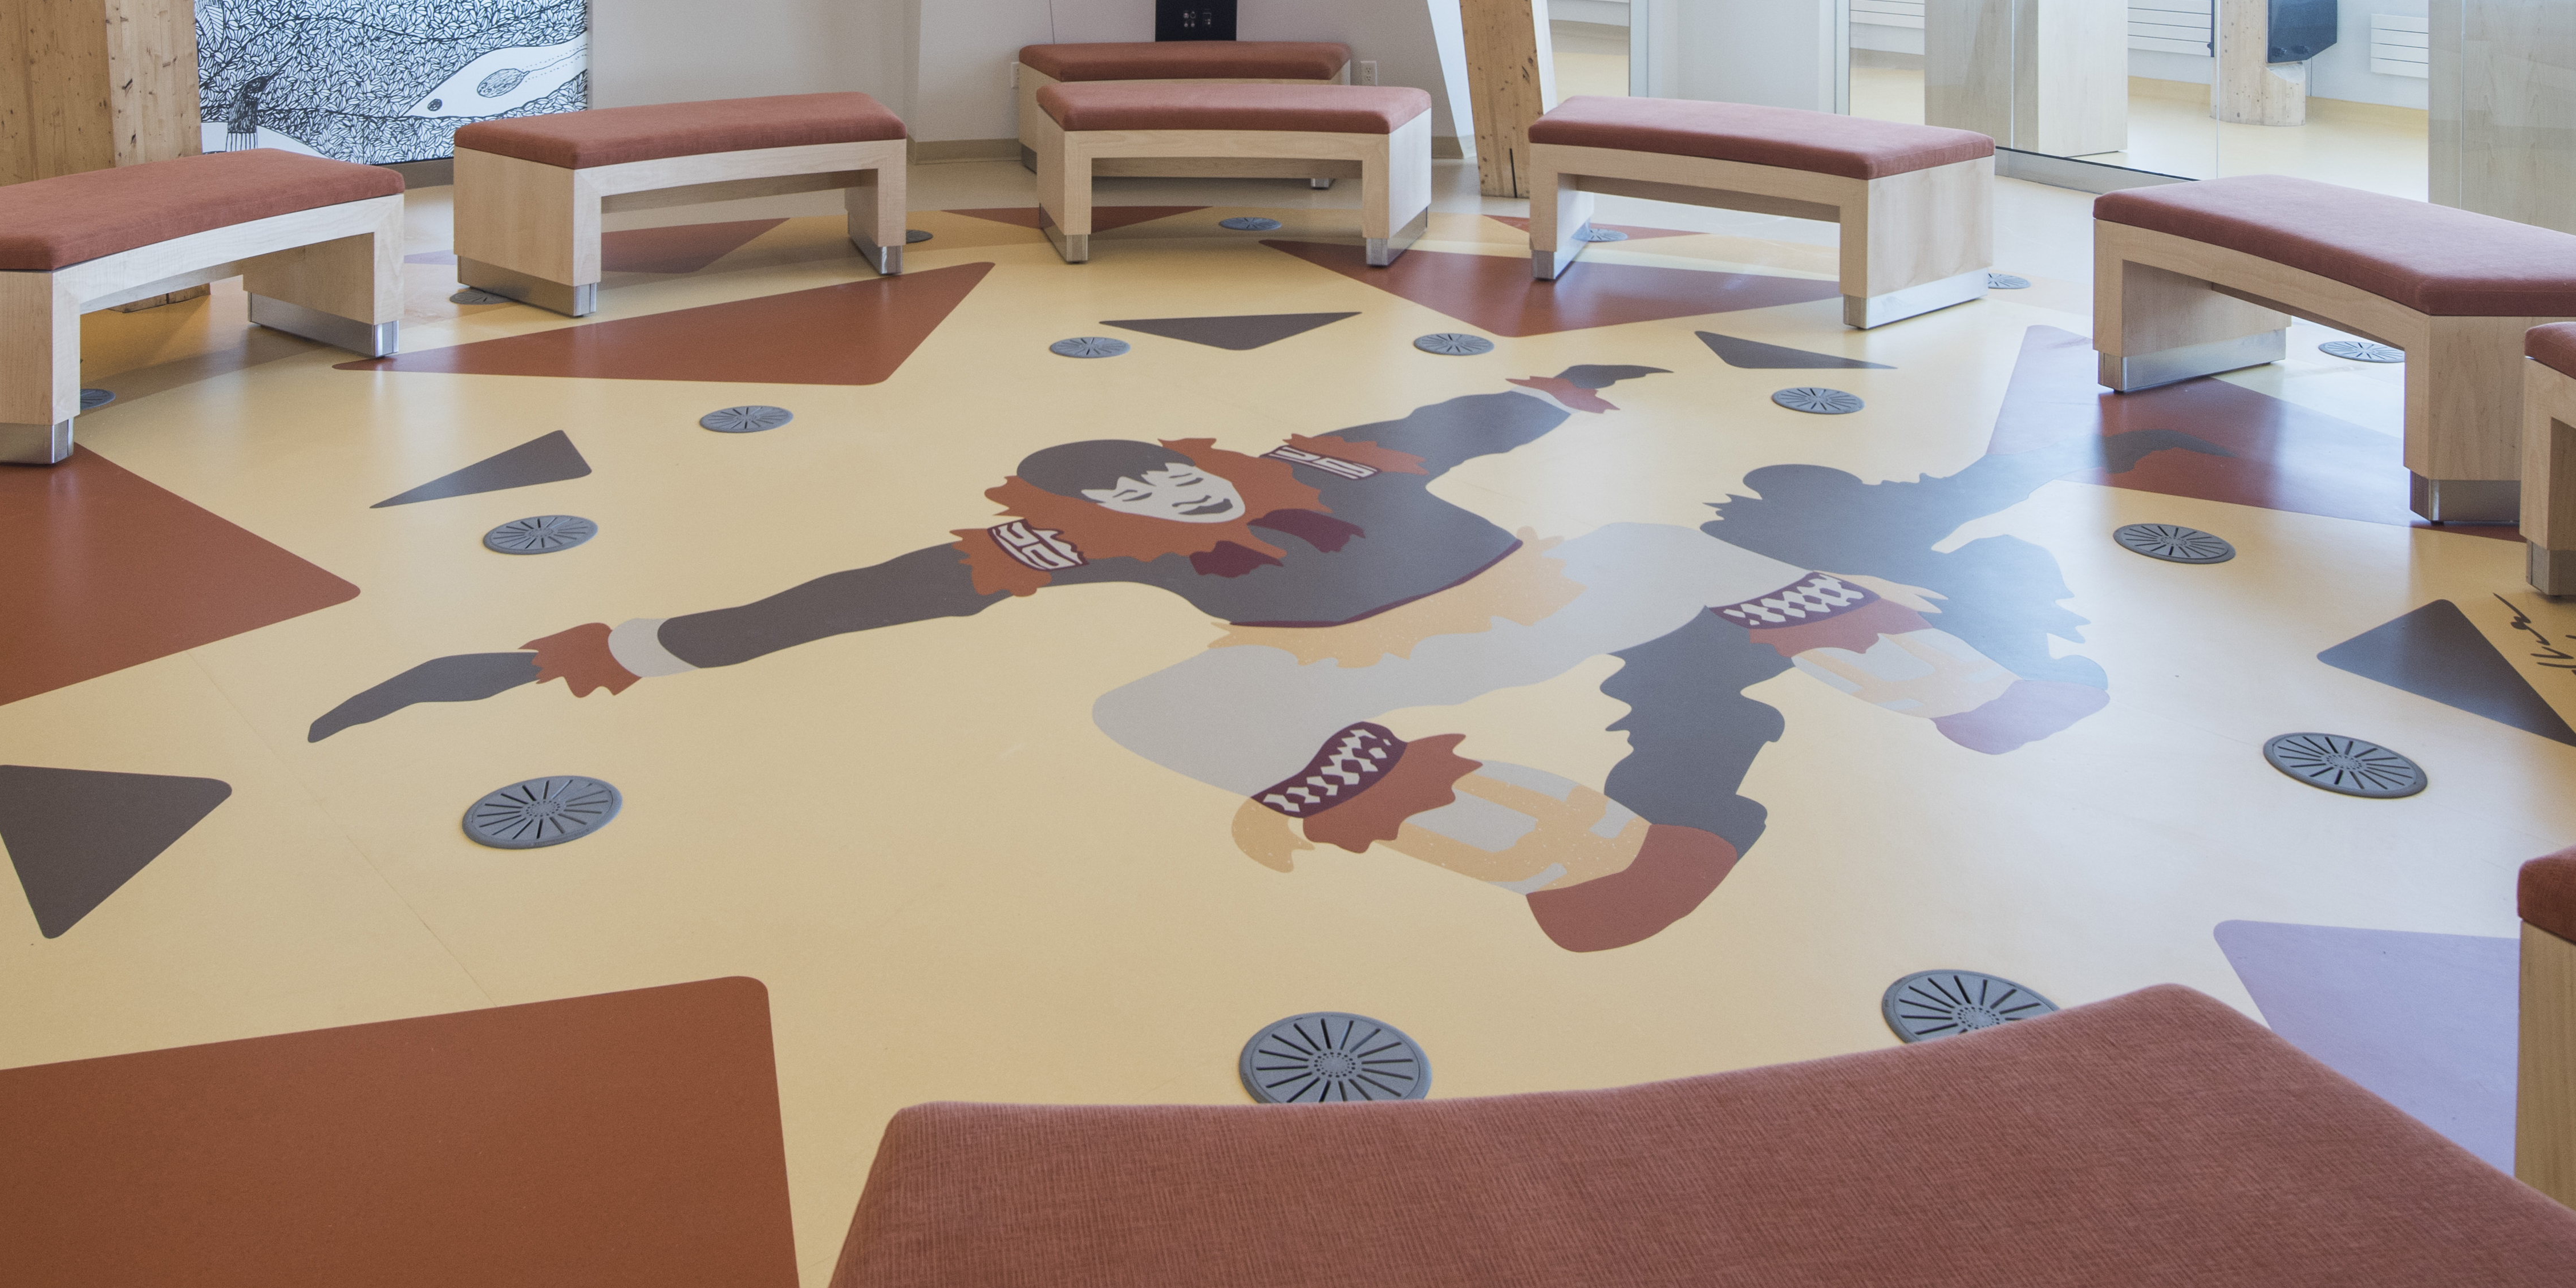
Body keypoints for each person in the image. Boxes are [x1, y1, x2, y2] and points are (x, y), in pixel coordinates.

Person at [316, 363, 2108, 951]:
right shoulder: (1056, 540)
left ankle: (1970, 692)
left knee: (1668, 547)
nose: (1169, 483)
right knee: (1158, 698)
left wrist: (1548, 391)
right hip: (1352, 663)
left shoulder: (1325, 453)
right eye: (1137, 484)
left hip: (1542, 588)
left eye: (1170, 464)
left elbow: (1451, 422)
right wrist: (615, 645)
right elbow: (849, 596)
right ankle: (1589, 853)